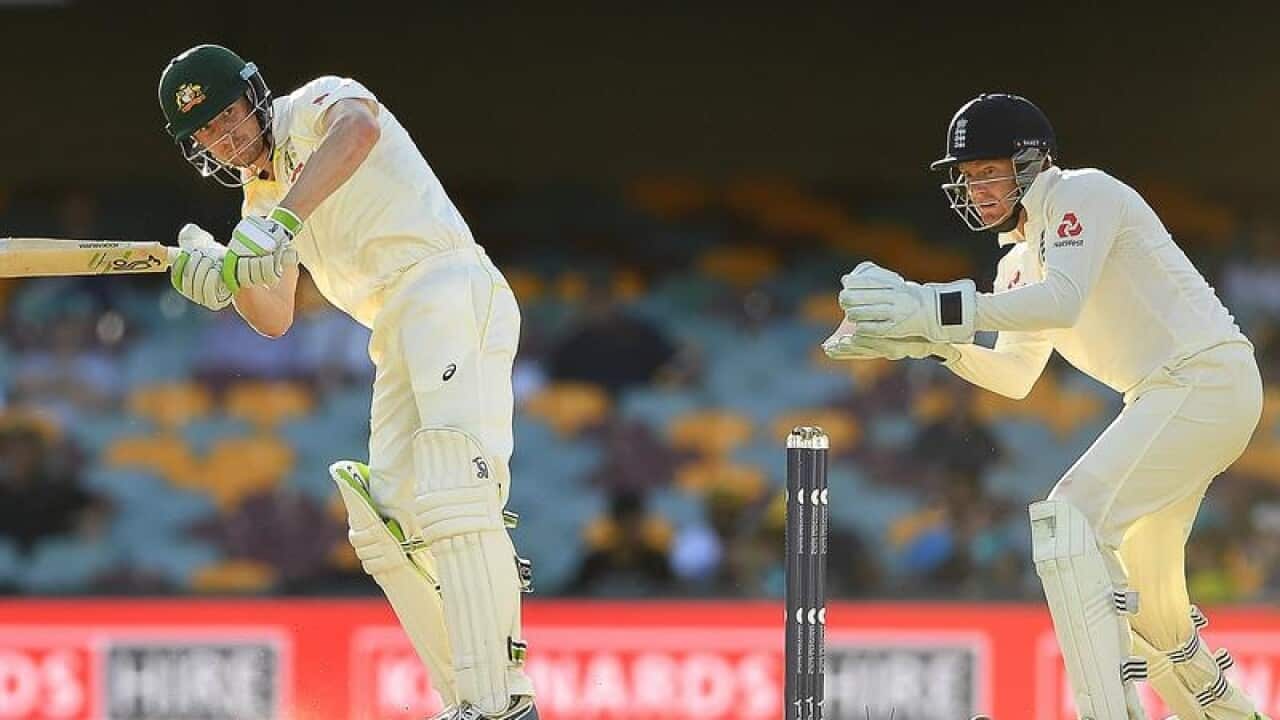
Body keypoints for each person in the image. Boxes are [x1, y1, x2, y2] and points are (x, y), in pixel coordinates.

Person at [825, 93, 1268, 720]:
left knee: (1073, 520)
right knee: (1151, 604)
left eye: (987, 171)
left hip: (1204, 379)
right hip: (1173, 396)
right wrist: (931, 342)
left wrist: (933, 309)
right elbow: (1015, 375)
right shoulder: (1017, 261)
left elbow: (1062, 300)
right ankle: (1227, 713)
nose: (975, 188)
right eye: (967, 175)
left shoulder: (1083, 193)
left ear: (1030, 162)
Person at [157, 44, 536, 719]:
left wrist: (280, 223)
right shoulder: (258, 202)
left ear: (253, 94)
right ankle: (466, 699)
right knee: (386, 522)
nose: (224, 136)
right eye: (206, 132)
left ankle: (503, 699)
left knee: (456, 487)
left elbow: (358, 130)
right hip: (393, 327)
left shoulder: (316, 105)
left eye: (227, 115)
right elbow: (273, 315)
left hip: (446, 285)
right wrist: (220, 275)